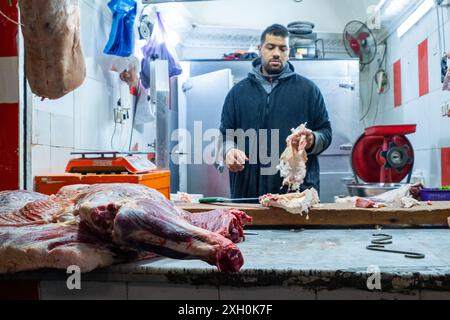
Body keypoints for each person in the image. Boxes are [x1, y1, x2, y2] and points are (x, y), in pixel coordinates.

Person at [219, 24, 332, 199]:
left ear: (289, 52)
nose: (276, 53)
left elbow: (326, 132)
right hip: (248, 194)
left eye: (283, 48)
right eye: (270, 47)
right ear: (260, 49)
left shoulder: (308, 90)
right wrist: (229, 151)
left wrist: (313, 139)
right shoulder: (237, 93)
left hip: (297, 195)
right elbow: (225, 134)